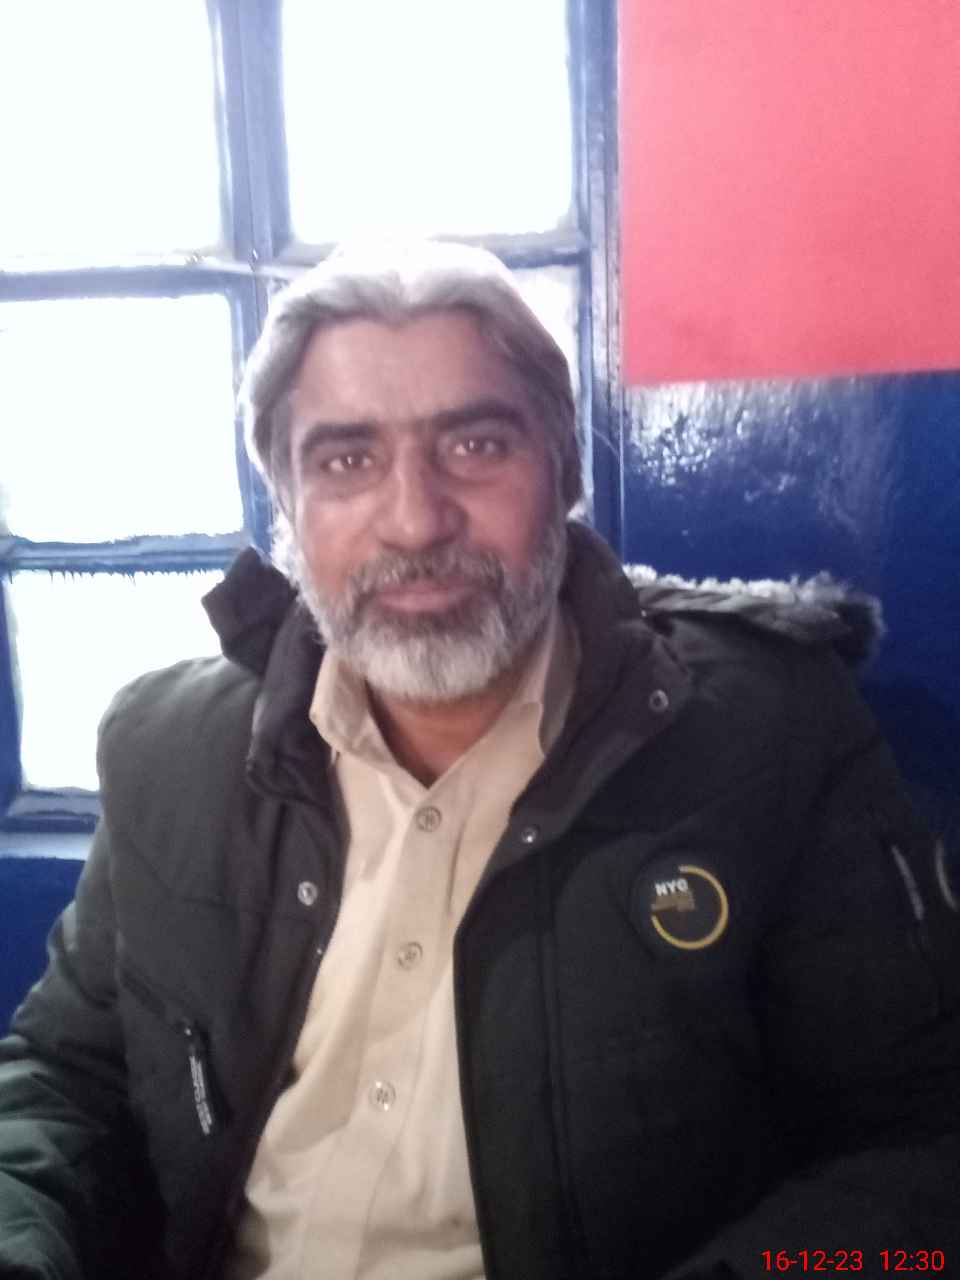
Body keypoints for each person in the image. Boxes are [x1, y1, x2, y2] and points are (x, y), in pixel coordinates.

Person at [1, 241, 958, 1280]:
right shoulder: (168, 750)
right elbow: (63, 1079)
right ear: (287, 503)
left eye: (476, 444)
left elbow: (918, 1144)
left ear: (565, 475)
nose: (416, 520)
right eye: (347, 461)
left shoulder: (767, 735)